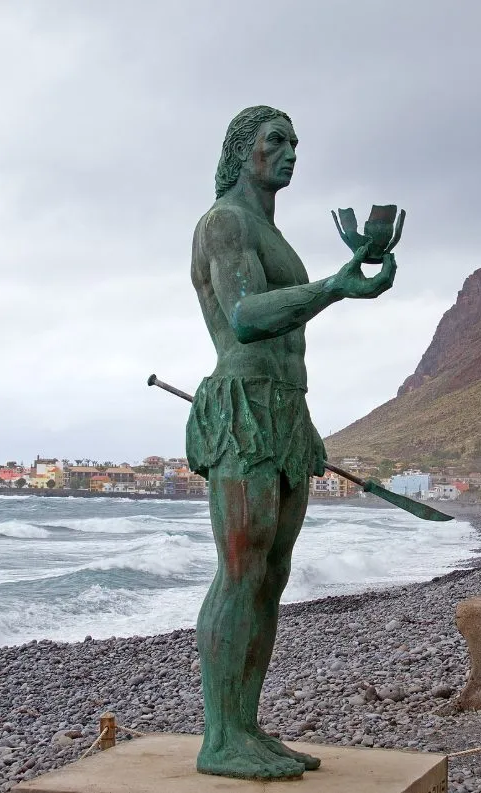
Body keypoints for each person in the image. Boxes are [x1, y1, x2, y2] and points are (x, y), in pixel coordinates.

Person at [186, 105, 397, 780]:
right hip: (243, 410)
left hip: (286, 412)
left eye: (295, 143)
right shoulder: (224, 222)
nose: (289, 153)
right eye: (275, 141)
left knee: (271, 577)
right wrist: (335, 285)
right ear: (240, 151)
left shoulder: (272, 234)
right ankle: (219, 737)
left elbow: (288, 322)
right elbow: (246, 317)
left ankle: (246, 726)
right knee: (241, 571)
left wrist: (345, 274)